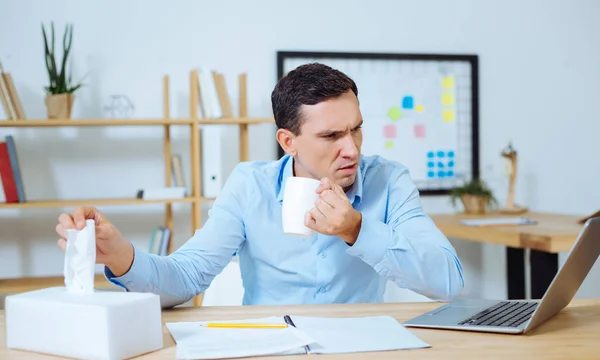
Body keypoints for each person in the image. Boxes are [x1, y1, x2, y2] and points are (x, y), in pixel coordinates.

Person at [56, 62, 464, 308]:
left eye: (356, 130)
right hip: (269, 351)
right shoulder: (250, 185)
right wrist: (121, 257)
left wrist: (357, 230)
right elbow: (187, 277)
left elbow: (449, 281)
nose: (351, 149)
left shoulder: (388, 180)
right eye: (330, 136)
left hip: (357, 356)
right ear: (288, 141)